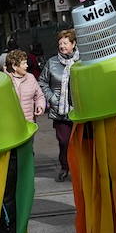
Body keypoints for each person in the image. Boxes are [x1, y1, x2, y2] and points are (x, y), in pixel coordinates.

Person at [38, 29, 79, 182]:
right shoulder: (52, 62)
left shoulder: (81, 61)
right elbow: (42, 81)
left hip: (79, 110)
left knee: (80, 142)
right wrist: (51, 97)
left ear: (73, 44)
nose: (62, 46)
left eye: (65, 43)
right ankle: (65, 166)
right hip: (60, 112)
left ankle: (80, 168)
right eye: (60, 43)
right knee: (64, 142)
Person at [5, 49, 44, 123]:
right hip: (12, 124)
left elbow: (39, 96)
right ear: (14, 66)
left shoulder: (30, 78)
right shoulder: (6, 81)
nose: (27, 66)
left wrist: (40, 106)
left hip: (29, 122)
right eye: (24, 63)